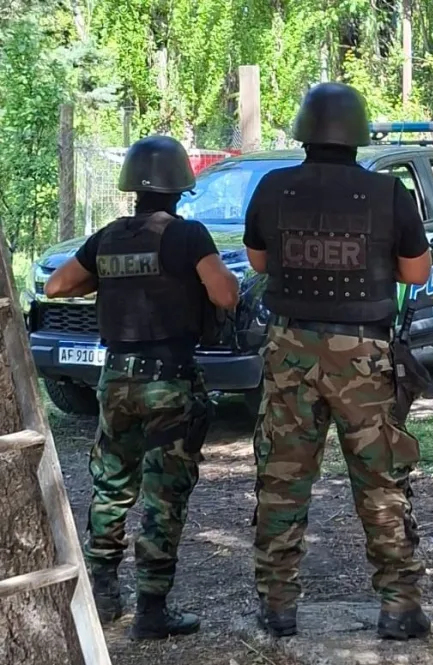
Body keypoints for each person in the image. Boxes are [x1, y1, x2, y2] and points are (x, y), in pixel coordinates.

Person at [243, 82, 433, 640]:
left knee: (282, 479)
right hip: (364, 356)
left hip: (289, 349)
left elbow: (258, 259)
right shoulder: (387, 193)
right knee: (380, 481)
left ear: (304, 129)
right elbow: (417, 272)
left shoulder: (274, 187)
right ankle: (400, 607)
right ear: (359, 132)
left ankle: (277, 607)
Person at [45, 135, 239, 640]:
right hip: (168, 380)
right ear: (181, 187)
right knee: (163, 494)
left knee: (110, 486)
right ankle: (152, 609)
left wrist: (109, 280)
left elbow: (57, 286)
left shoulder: (107, 238)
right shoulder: (189, 236)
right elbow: (224, 291)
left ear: (132, 186)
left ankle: (103, 594)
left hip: (116, 380)